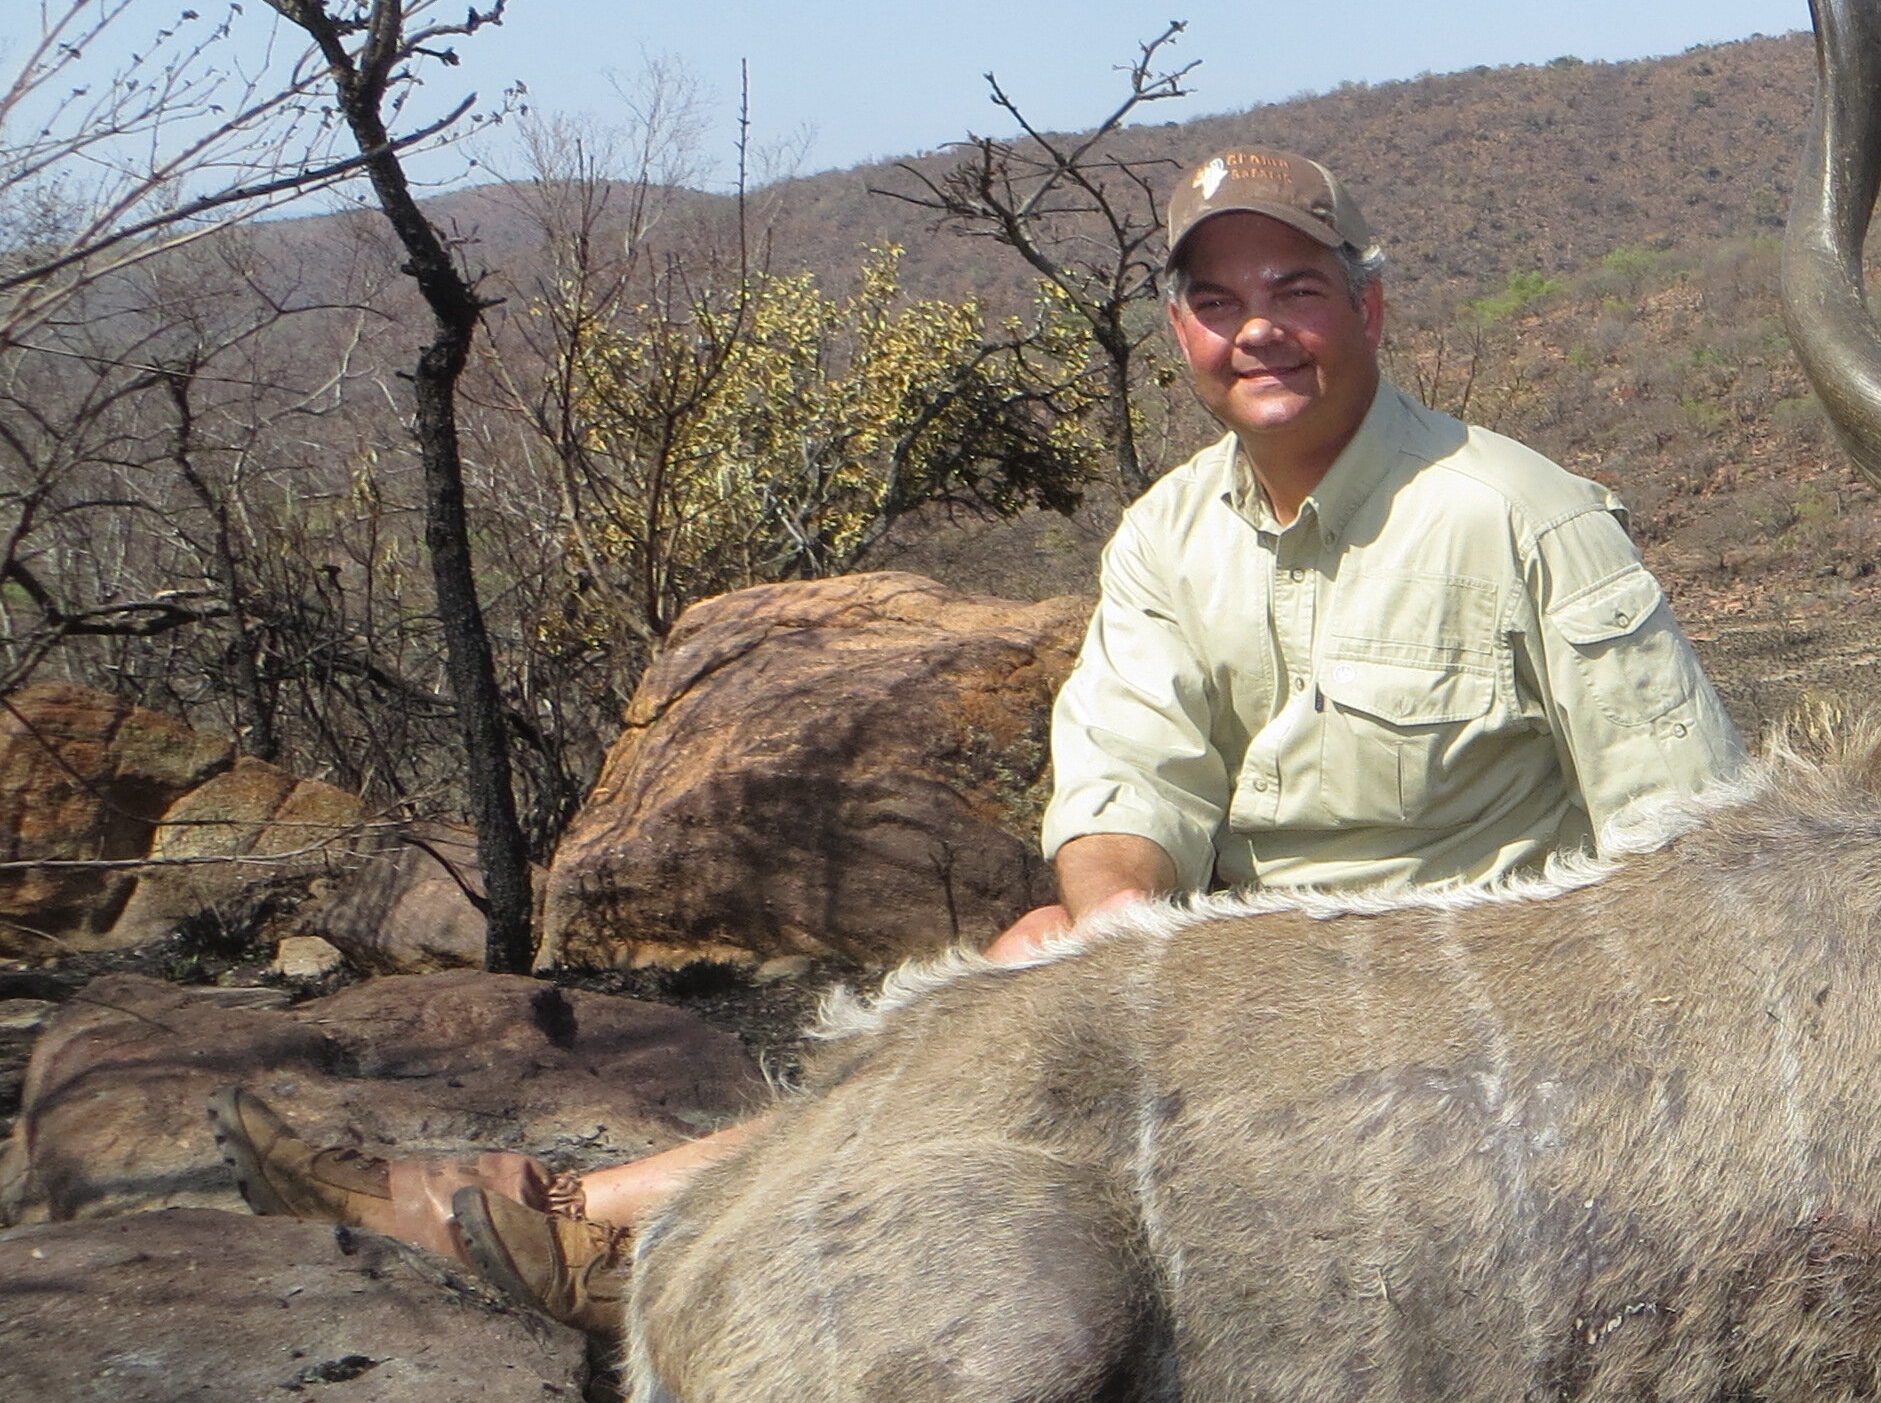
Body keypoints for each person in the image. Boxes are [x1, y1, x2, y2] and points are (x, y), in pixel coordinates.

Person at [222, 149, 1742, 1330]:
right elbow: (1124, 775)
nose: (1259, 328)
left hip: (1470, 1017)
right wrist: (1125, 940)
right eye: (1219, 303)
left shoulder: (1520, 516)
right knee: (1032, 961)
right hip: (1247, 980)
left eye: (1297, 286)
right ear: (1180, 333)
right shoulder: (1168, 532)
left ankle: (601, 1220)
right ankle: (620, 1228)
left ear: (1370, 306)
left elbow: (1692, 846)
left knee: (1008, 1044)